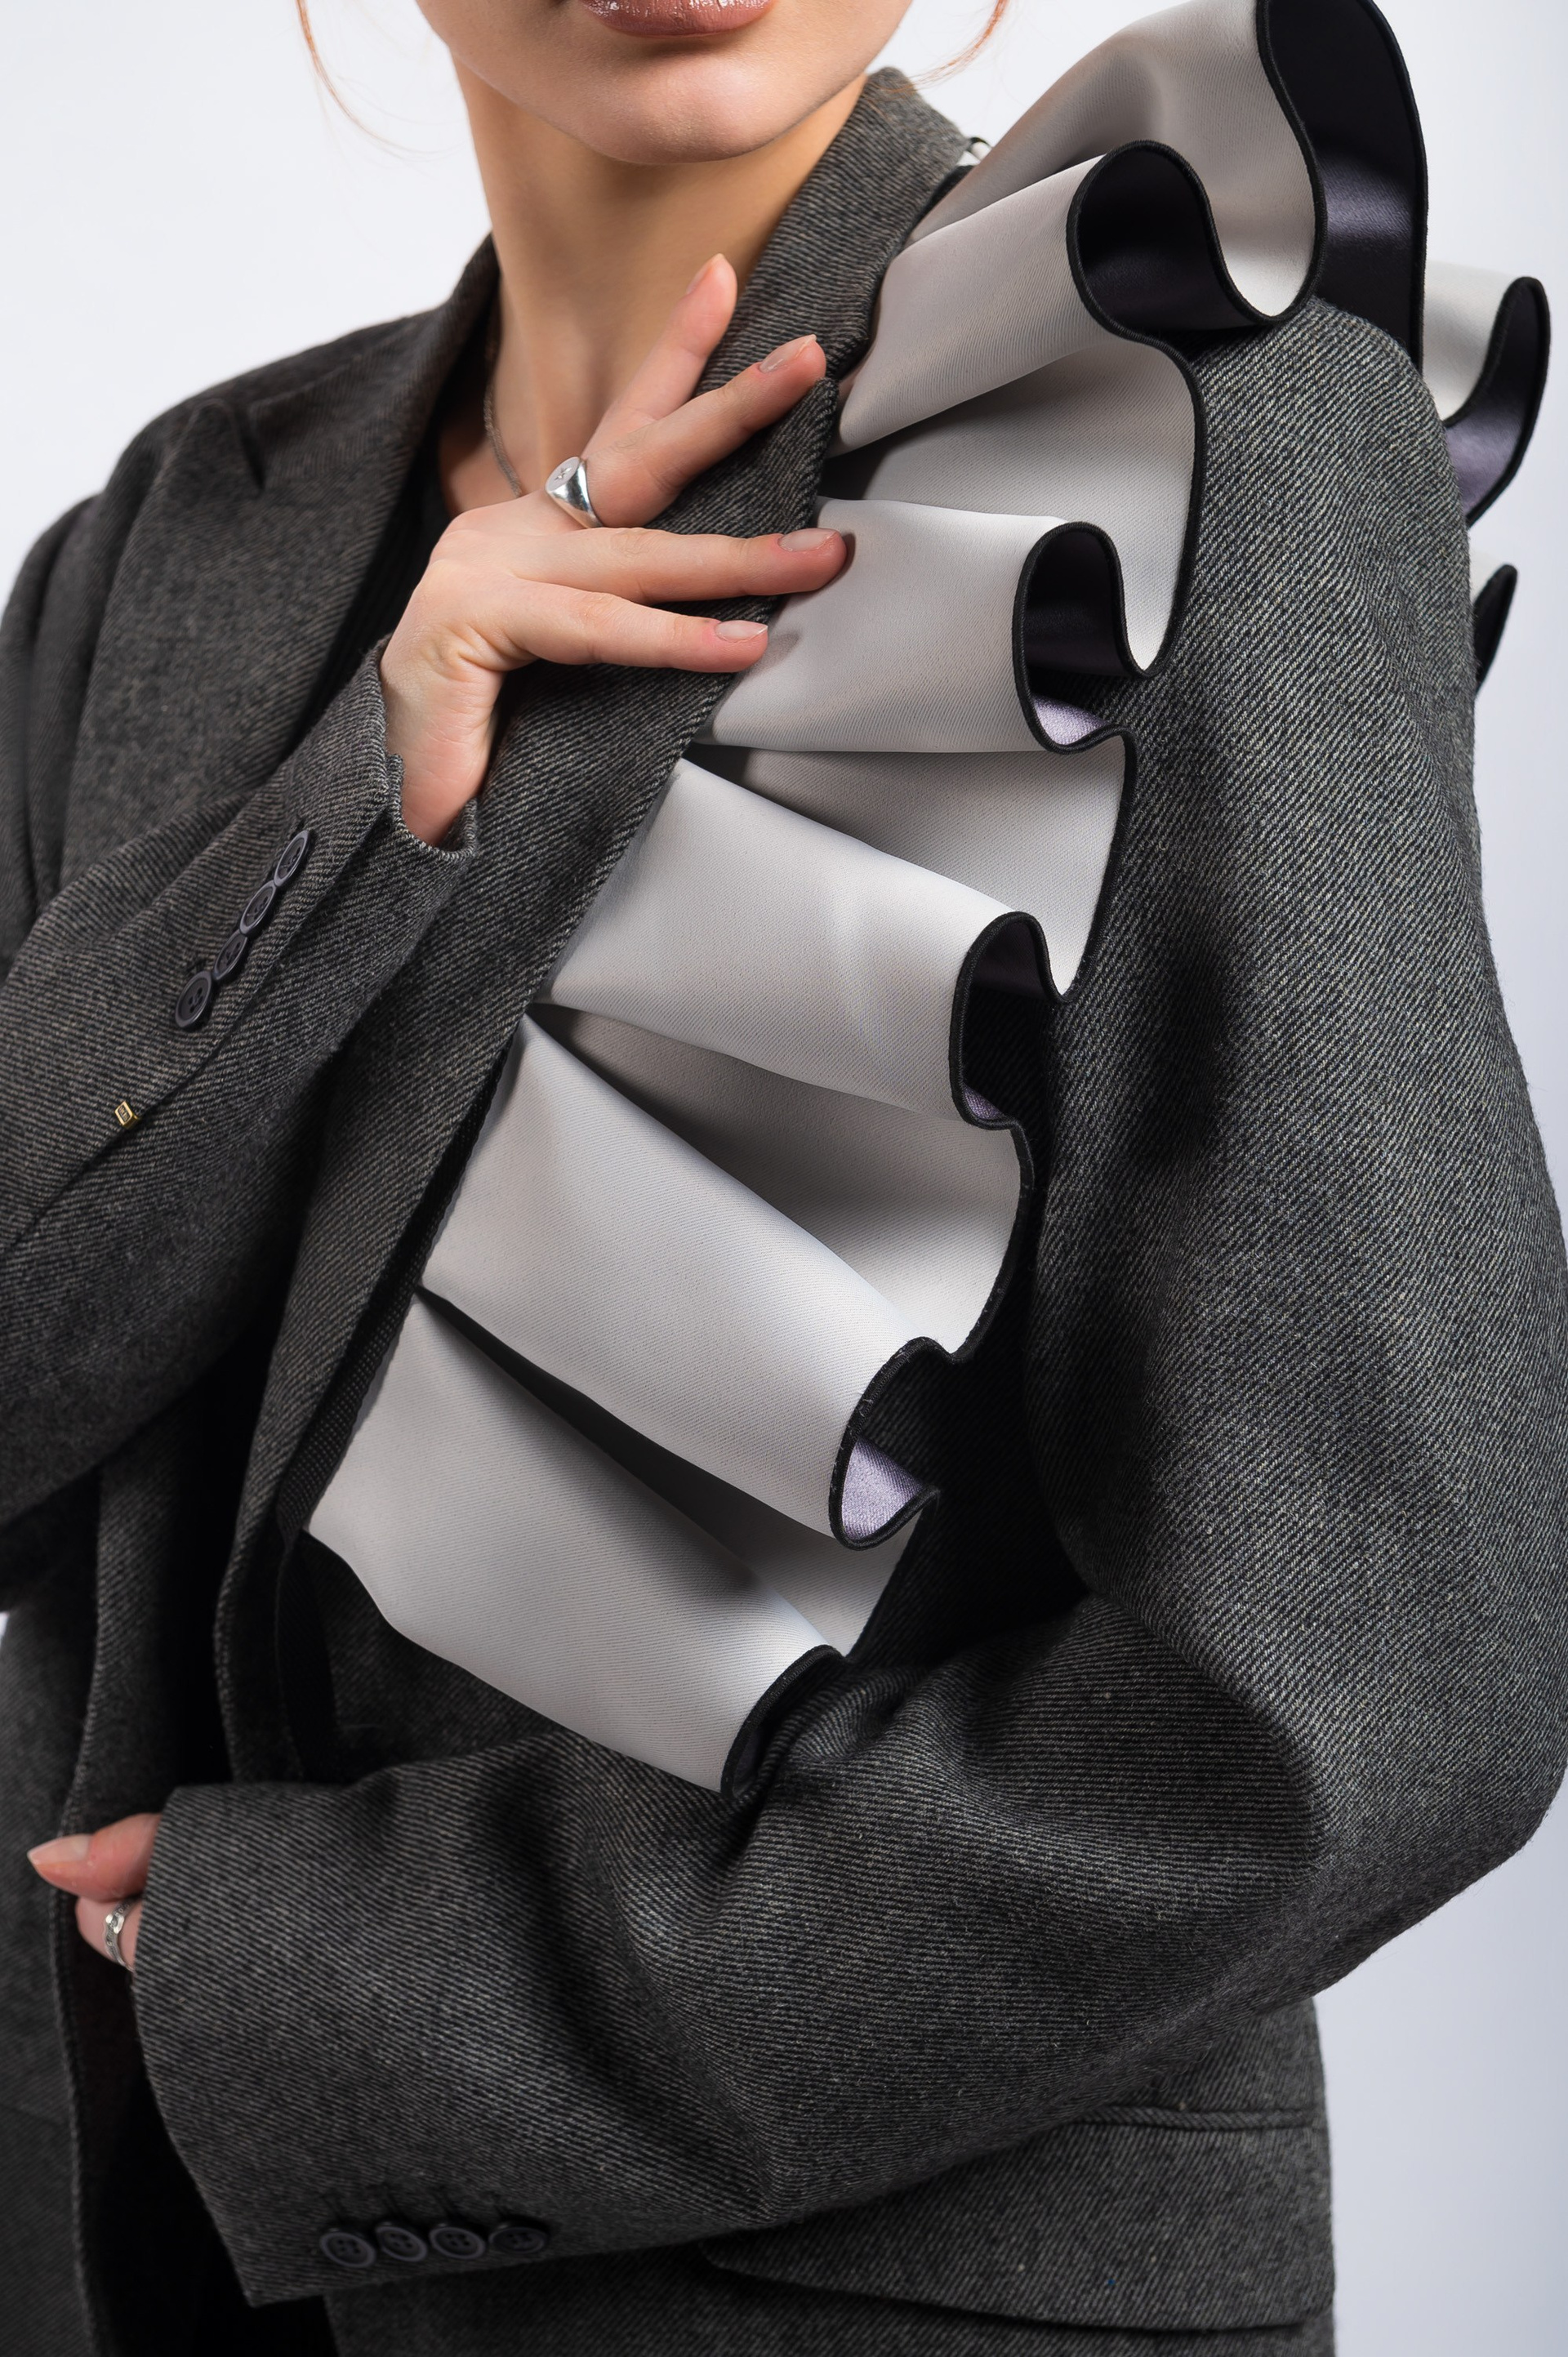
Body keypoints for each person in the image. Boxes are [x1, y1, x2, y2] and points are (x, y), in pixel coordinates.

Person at [3, 0, 1564, 2350]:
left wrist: (363, 1987)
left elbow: (1376, 1679)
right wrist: (365, 798)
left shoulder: (1182, 411)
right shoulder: (172, 539)